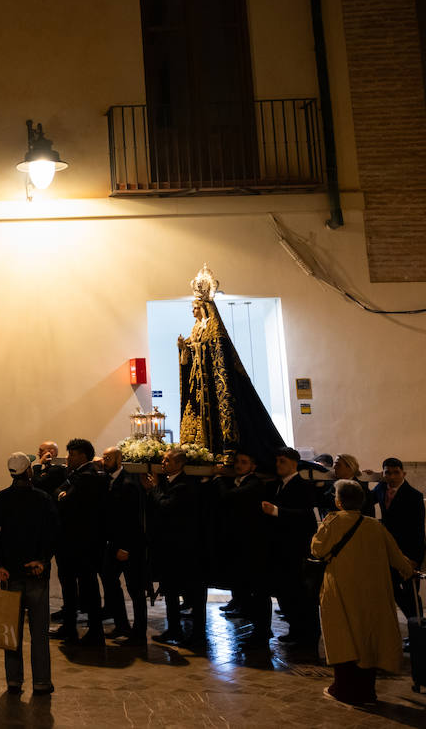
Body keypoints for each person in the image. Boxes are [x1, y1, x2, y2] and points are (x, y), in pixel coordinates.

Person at [313, 479, 417, 706]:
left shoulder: (332, 522)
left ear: (338, 502)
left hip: (341, 589)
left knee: (343, 637)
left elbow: (317, 549)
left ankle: (343, 689)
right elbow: (396, 556)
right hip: (372, 591)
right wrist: (409, 570)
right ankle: (367, 691)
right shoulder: (374, 525)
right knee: (369, 638)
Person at [177, 265, 287, 466]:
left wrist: (198, 348)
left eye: (194, 307)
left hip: (210, 380)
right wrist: (184, 349)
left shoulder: (213, 330)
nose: (192, 311)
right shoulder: (195, 329)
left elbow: (218, 354)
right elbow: (192, 355)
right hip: (197, 379)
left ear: (203, 308)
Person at [0, 452, 59, 697]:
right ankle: (41, 682)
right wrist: (43, 560)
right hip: (36, 574)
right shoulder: (43, 499)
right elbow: (53, 534)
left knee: (11, 632)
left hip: (10, 576)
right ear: (29, 471)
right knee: (39, 633)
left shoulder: (0, 500)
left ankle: (14, 682)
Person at [142, 447, 207, 646]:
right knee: (169, 592)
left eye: (168, 460)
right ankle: (174, 630)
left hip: (184, 549)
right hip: (167, 547)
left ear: (180, 464)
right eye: (163, 460)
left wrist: (153, 488)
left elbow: (165, 506)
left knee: (193, 594)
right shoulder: (167, 482)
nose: (163, 463)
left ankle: (197, 636)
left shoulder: (185, 485)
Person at [262, 446, 321, 646]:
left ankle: (308, 635)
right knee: (286, 594)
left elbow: (307, 517)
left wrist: (278, 512)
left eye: (282, 461)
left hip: (295, 549)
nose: (278, 465)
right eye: (277, 461)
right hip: (280, 549)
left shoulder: (302, 486)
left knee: (300, 595)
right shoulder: (279, 485)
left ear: (294, 464)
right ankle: (296, 630)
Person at [52, 438, 108, 645]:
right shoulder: (77, 474)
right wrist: (61, 495)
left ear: (83, 455)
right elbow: (59, 491)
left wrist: (62, 496)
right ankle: (69, 626)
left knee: (87, 586)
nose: (68, 458)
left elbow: (67, 502)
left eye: (72, 454)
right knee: (71, 584)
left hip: (81, 542)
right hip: (74, 541)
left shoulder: (87, 477)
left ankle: (94, 632)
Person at [214, 450, 271, 647]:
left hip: (252, 545)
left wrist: (219, 477)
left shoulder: (254, 485)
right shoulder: (239, 481)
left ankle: (262, 631)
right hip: (239, 544)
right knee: (245, 588)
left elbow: (228, 497)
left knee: (258, 591)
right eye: (237, 462)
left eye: (244, 462)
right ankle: (256, 627)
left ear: (253, 466)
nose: (239, 465)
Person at [99, 446, 146, 644]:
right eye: (103, 457)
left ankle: (139, 633)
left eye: (108, 458)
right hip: (112, 544)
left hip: (128, 546)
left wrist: (126, 547)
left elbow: (133, 519)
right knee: (110, 582)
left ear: (119, 460)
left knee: (135, 589)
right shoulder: (108, 481)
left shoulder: (128, 483)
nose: (104, 461)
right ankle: (121, 625)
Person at [370, 457, 425, 620]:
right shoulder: (380, 488)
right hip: (388, 549)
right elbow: (365, 499)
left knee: (412, 592)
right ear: (383, 474)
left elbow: (418, 529)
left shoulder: (414, 496)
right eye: (388, 473)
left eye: (396, 473)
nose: (392, 477)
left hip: (408, 550)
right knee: (392, 587)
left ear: (404, 473)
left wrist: (415, 558)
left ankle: (418, 629)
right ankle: (414, 622)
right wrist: (364, 479)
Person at [31, 440, 76, 624]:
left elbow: (37, 483)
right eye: (40, 450)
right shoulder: (45, 469)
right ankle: (66, 608)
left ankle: (69, 610)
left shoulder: (57, 470)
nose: (40, 453)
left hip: (57, 526)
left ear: (52, 453)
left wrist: (41, 466)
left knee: (65, 572)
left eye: (43, 451)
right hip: (48, 524)